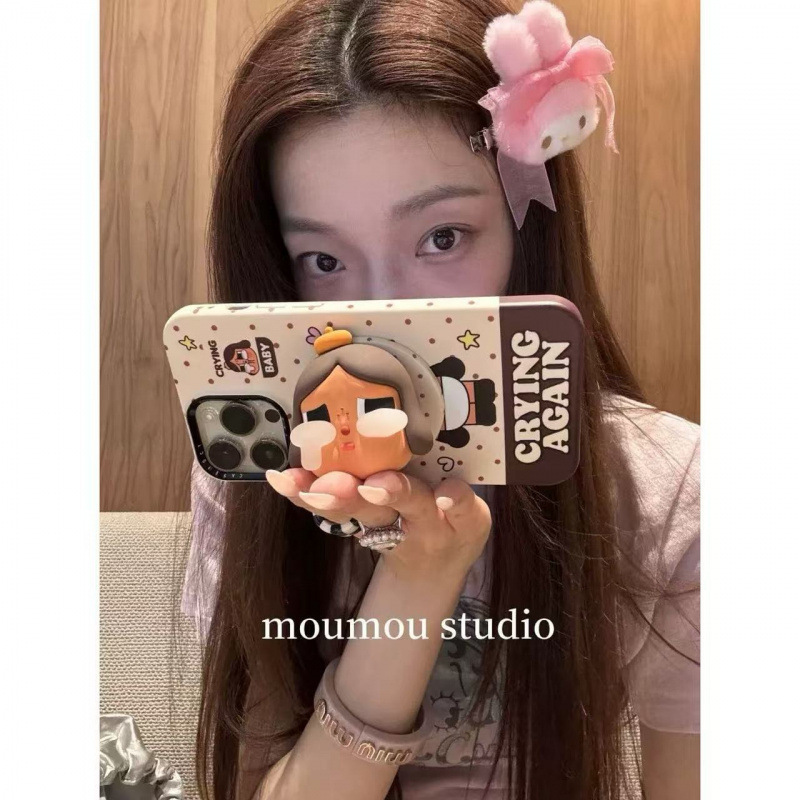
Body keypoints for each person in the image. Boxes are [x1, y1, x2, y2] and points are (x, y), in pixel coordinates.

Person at [180, 1, 700, 798]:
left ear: (526, 231)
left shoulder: (668, 493)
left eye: (442, 238)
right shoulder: (265, 470)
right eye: (324, 261)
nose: (382, 315)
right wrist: (418, 575)